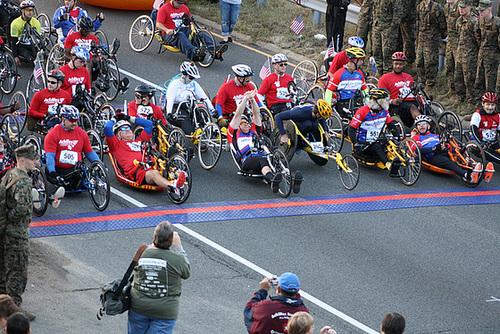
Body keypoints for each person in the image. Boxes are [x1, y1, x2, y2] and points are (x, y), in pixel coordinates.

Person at [228, 90, 302, 193]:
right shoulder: (234, 134)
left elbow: (256, 114)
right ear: (238, 125)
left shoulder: (254, 131)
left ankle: (292, 179)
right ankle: (272, 180)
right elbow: (237, 115)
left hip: (264, 155)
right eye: (243, 123)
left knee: (275, 158)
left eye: (247, 123)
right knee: (262, 160)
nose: (246, 125)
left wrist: (253, 99)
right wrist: (245, 99)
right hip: (247, 159)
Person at [128, 221, 190, 334]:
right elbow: (187, 272)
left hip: (139, 307)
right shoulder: (178, 259)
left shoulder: (142, 253)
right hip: (165, 311)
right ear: (171, 241)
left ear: (154, 238)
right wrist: (179, 247)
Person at [0, 145, 39, 321]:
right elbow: (22, 209)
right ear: (22, 160)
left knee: (4, 270)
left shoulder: (10, 174)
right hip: (17, 234)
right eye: (32, 159)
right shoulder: (23, 181)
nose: (36, 162)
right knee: (17, 272)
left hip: (5, 231)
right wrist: (13, 218)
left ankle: (3, 305)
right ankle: (14, 311)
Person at [104, 115, 186, 189]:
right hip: (138, 170)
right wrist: (114, 118)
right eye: (123, 128)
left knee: (168, 156)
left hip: (153, 163)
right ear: (118, 135)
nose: (128, 130)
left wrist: (129, 118)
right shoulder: (116, 145)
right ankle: (173, 187)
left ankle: (178, 174)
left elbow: (149, 124)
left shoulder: (140, 140)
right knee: (154, 174)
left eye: (129, 128)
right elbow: (107, 128)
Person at [44, 105, 99, 204]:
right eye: (71, 121)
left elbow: (89, 152)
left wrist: (99, 164)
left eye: (76, 121)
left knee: (81, 173)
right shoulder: (52, 135)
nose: (74, 123)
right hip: (59, 170)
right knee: (52, 174)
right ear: (63, 119)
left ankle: (76, 183)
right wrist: (53, 172)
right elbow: (50, 156)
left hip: (75, 169)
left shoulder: (82, 134)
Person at [411, 114, 483, 183]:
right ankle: (467, 176)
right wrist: (434, 148)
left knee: (459, 154)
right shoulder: (416, 138)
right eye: (419, 124)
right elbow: (418, 150)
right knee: (451, 163)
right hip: (434, 156)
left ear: (429, 126)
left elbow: (447, 145)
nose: (421, 125)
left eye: (424, 123)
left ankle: (478, 169)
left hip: (446, 151)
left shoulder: (436, 135)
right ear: (416, 127)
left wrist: (457, 146)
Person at [348, 88, 402, 175]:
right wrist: (355, 144)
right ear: (379, 101)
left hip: (377, 139)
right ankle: (388, 165)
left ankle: (403, 160)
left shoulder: (384, 111)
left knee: (390, 142)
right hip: (363, 144)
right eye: (386, 100)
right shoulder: (363, 111)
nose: (388, 102)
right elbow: (351, 129)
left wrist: (398, 139)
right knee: (376, 146)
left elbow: (391, 125)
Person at [156, 0, 227, 62]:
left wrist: (198, 27)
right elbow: (158, 24)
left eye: (182, 3)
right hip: (170, 34)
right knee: (180, 35)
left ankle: (215, 50)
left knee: (199, 34)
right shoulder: (164, 9)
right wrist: (167, 30)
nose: (181, 5)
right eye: (179, 3)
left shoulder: (184, 8)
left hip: (185, 30)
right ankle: (194, 53)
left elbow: (190, 22)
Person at [244, 272, 309, 334]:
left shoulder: (265, 307)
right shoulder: (304, 312)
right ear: (298, 290)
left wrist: (263, 290)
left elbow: (249, 310)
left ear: (279, 289)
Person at [165, 62, 214, 134]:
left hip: (190, 107)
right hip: (176, 108)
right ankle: (192, 137)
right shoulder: (175, 84)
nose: (192, 80)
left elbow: (204, 98)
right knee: (186, 122)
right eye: (190, 78)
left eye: (193, 78)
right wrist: (169, 113)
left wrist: (212, 110)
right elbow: (170, 100)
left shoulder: (194, 84)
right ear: (184, 75)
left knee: (201, 116)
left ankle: (207, 133)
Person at [378, 52, 422, 128]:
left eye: (400, 64)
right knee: (412, 107)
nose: (398, 66)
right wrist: (392, 101)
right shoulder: (385, 78)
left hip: (411, 101)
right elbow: (380, 99)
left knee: (424, 106)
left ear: (404, 64)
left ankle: (436, 124)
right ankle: (422, 123)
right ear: (392, 64)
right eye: (396, 64)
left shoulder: (408, 77)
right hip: (396, 106)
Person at [415, 0, 447, 97]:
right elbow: (418, 22)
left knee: (430, 61)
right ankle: (421, 81)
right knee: (419, 61)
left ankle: (430, 83)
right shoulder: (420, 6)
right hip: (421, 38)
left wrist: (440, 36)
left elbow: (442, 25)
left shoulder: (436, 8)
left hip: (432, 39)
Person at [324, 47, 369, 116]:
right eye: (361, 60)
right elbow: (329, 91)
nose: (362, 62)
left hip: (356, 103)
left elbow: (364, 90)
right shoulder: (339, 73)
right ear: (354, 60)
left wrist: (368, 105)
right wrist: (328, 108)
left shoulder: (360, 73)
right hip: (344, 105)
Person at [455, 0, 480, 111]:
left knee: (469, 80)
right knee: (458, 77)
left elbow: (478, 40)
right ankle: (460, 98)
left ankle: (471, 102)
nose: (461, 9)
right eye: (460, 7)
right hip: (460, 54)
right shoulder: (459, 21)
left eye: (464, 7)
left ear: (470, 7)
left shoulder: (474, 22)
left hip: (470, 57)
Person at [371, 0, 404, 75]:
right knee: (376, 49)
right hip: (377, 26)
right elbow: (374, 9)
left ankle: (387, 73)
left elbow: (398, 13)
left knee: (387, 51)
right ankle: (379, 70)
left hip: (388, 28)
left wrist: (392, 27)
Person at [470, 92, 499, 173]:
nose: (490, 108)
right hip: (479, 144)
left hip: (492, 143)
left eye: (492, 105)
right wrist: (481, 143)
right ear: (483, 104)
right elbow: (474, 129)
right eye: (488, 105)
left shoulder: (498, 116)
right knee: (487, 150)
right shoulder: (477, 115)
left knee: (492, 147)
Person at [475, 0, 500, 94]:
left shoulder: (496, 23)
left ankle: (491, 105)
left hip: (493, 59)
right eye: (479, 11)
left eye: (482, 11)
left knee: (490, 84)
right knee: (478, 82)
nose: (480, 13)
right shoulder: (480, 22)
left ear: (489, 10)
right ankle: (479, 103)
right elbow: (477, 36)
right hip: (481, 57)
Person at [438, 0, 461, 100]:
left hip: (459, 42)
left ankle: (460, 94)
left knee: (458, 69)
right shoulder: (446, 8)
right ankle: (451, 89)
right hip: (450, 41)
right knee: (449, 67)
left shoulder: (461, 8)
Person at [10, 0, 41, 66]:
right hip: (21, 46)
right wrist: (15, 56)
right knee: (26, 54)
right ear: (22, 11)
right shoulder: (15, 23)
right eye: (27, 10)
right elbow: (13, 41)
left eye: (32, 10)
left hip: (32, 44)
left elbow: (39, 39)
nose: (30, 12)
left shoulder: (36, 22)